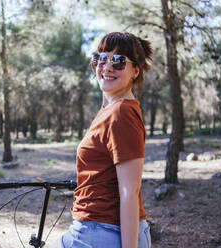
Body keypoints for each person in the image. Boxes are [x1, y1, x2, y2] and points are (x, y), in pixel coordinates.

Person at [60, 32, 153, 248]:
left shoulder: (121, 113)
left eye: (119, 61)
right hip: (95, 230)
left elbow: (130, 192)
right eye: (101, 58)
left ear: (135, 71)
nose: (108, 66)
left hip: (102, 233)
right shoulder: (111, 109)